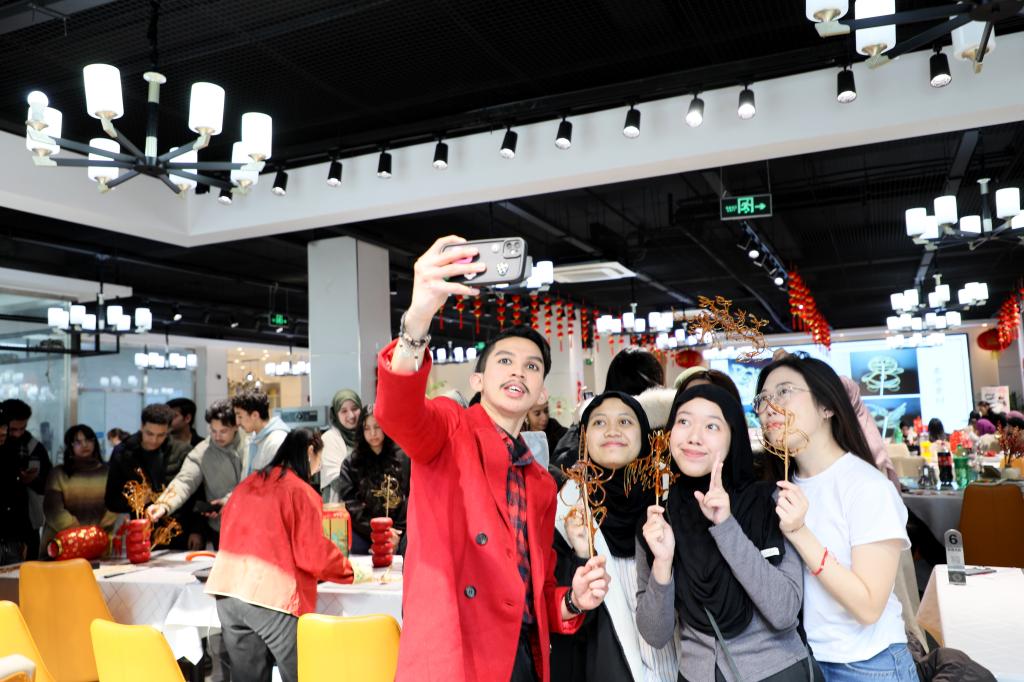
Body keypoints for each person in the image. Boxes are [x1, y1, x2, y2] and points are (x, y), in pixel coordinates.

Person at [374, 235, 610, 682]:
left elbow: (535, 591)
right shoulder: (449, 429)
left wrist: (572, 599)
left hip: (520, 660)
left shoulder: (542, 483)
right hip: (455, 656)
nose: (519, 370)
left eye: (532, 366)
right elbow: (398, 413)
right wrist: (418, 317)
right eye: (504, 361)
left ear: (541, 393)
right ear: (478, 380)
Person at [637, 385, 817, 681]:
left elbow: (784, 612)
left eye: (711, 426)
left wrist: (726, 525)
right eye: (683, 421)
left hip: (776, 672)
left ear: (734, 436)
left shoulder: (769, 503)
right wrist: (662, 563)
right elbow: (655, 635)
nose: (694, 436)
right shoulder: (658, 519)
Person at [755, 355, 916, 681]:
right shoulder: (778, 489)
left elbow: (868, 606)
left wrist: (800, 533)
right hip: (804, 662)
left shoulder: (867, 486)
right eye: (762, 399)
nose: (770, 407)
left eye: (784, 391)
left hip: (869, 666)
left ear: (826, 406)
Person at [205, 428, 353, 682]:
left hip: (227, 592)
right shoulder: (300, 491)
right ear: (310, 451)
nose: (318, 468)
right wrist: (346, 569)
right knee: (304, 675)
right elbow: (311, 554)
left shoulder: (246, 484)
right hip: (271, 597)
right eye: (319, 460)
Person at [551, 391, 679, 682]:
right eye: (599, 422)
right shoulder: (565, 510)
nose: (612, 431)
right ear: (584, 437)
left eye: (625, 421)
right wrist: (581, 555)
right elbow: (566, 622)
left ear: (644, 434)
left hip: (680, 668)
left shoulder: (671, 499)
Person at [147, 400, 248, 549]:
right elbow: (184, 481)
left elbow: (254, 484)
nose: (217, 436)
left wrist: (228, 501)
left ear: (236, 426)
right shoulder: (202, 452)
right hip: (220, 528)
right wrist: (164, 504)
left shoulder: (250, 445)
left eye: (223, 431)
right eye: (213, 431)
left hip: (252, 524)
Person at [104, 404, 196, 548]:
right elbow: (111, 500)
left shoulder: (181, 451)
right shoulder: (123, 452)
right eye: (149, 433)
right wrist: (136, 500)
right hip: (140, 533)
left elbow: (195, 494)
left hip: (178, 531)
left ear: (168, 430)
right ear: (142, 426)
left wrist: (197, 530)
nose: (154, 440)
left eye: (161, 435)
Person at [332, 404, 410, 554]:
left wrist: (396, 532)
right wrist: (378, 530)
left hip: (399, 532)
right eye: (367, 428)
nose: (373, 433)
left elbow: (408, 497)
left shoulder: (403, 458)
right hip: (364, 533)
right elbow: (351, 504)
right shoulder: (351, 464)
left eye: (377, 427)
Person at [41, 425, 118, 555]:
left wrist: (96, 532)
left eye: (88, 440)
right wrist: (82, 533)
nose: (84, 445)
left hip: (97, 543)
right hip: (63, 546)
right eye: (78, 442)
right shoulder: (59, 474)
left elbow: (114, 506)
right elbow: (53, 510)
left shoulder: (108, 473)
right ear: (70, 446)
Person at [0, 399, 52, 561]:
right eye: (12, 429)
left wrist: (32, 480)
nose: (17, 434)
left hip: (28, 522)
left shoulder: (35, 448)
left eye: (22, 428)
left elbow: (49, 483)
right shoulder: (4, 447)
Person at [231, 389, 290, 479]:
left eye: (240, 416)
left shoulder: (277, 441)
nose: (237, 422)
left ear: (255, 415)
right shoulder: (253, 439)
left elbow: (277, 481)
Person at [320, 388, 362, 499]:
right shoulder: (330, 439)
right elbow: (338, 481)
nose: (351, 415)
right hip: (339, 504)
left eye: (355, 409)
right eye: (344, 411)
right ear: (336, 414)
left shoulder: (367, 434)